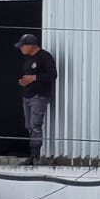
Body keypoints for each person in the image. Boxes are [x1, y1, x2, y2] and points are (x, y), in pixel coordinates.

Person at [15, 33, 56, 166]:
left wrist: (34, 78)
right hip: (27, 96)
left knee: (36, 124)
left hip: (39, 96)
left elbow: (53, 75)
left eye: (22, 46)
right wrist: (25, 81)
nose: (21, 49)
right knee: (29, 126)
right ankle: (32, 155)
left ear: (30, 46)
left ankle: (35, 156)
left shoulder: (45, 57)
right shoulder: (28, 59)